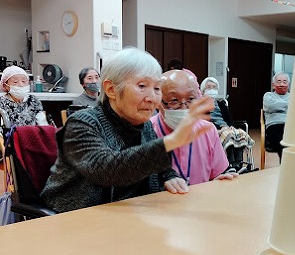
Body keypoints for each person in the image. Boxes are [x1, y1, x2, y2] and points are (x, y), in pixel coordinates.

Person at [41, 48, 214, 212]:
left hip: (129, 213)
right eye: (142, 86)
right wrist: (173, 140)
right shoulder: (82, 123)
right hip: (76, 218)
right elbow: (107, 170)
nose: (152, 98)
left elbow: (159, 167)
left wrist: (170, 176)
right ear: (111, 89)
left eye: (156, 88)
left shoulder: (144, 125)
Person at [152, 70, 237, 184]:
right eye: (174, 101)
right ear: (158, 102)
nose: (184, 108)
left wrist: (216, 182)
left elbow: (216, 175)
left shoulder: (208, 130)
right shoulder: (147, 131)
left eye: (191, 99)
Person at [200, 76, 255, 171]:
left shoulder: (221, 104)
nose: (212, 90)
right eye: (209, 87)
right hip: (212, 129)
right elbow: (203, 121)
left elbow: (229, 120)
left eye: (214, 87)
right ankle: (230, 164)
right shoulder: (200, 105)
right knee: (228, 135)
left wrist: (231, 126)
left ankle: (239, 163)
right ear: (203, 90)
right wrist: (220, 128)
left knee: (239, 133)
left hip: (226, 128)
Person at [263, 73, 290, 162]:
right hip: (274, 125)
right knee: (282, 141)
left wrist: (277, 105)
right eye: (279, 81)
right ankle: (285, 165)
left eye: (284, 82)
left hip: (290, 125)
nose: (282, 84)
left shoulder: (293, 96)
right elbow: (270, 106)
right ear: (273, 85)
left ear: (288, 84)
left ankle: (287, 165)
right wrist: (288, 105)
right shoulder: (268, 95)